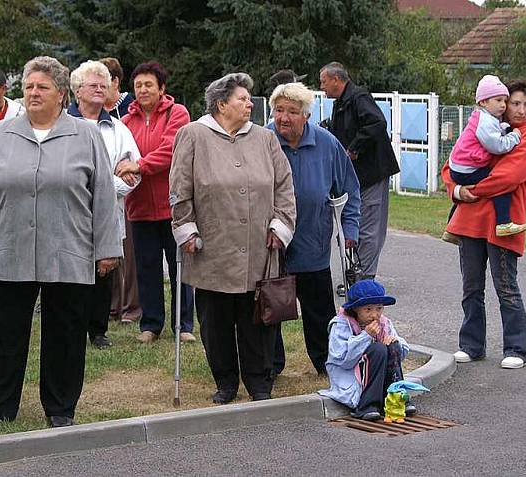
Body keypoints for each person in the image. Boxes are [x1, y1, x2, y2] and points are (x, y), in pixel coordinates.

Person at [0, 56, 122, 431]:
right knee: (7, 333)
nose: (33, 93)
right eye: (29, 86)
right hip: (14, 248)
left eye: (42, 87)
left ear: (61, 94)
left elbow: (103, 197)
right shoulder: (1, 134)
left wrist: (108, 248)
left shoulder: (86, 136)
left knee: (65, 332)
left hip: (69, 249)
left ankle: (61, 407)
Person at [170, 72, 296, 403]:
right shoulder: (193, 135)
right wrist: (186, 229)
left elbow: (284, 185)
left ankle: (259, 381)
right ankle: (225, 382)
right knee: (216, 321)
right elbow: (179, 189)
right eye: (242, 98)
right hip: (212, 246)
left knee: (257, 319)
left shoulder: (265, 139)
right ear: (222, 104)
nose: (248, 104)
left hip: (260, 245)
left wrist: (280, 226)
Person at [441, 79, 526, 370]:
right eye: (514, 103)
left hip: (503, 223)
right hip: (470, 221)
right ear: (501, 102)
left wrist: (471, 189)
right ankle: (471, 345)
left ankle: (516, 348)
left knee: (506, 286)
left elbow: (506, 177)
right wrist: (456, 190)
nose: (520, 110)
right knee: (471, 287)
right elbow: (452, 164)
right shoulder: (486, 125)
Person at [268, 82, 361, 376]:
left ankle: (326, 362)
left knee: (319, 311)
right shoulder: (263, 140)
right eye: (278, 110)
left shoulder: (326, 143)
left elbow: (349, 190)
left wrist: (350, 230)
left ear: (306, 115)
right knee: (270, 308)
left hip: (314, 241)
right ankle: (270, 366)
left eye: (292, 112)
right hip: (271, 243)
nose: (283, 117)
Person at [116, 61, 195, 344]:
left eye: (148, 84)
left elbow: (171, 150)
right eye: (138, 85)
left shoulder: (178, 113)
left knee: (180, 269)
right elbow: (118, 158)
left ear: (162, 88)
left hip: (173, 206)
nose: (143, 90)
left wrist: (138, 166)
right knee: (147, 269)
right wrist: (122, 168)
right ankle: (150, 325)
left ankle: (184, 325)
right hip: (139, 208)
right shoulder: (125, 122)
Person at [68, 60, 142, 349]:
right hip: (70, 211)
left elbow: (133, 174)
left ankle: (98, 330)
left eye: (104, 84)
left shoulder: (118, 128)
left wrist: (106, 189)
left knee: (104, 268)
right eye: (93, 85)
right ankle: (73, 326)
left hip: (108, 211)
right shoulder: (65, 124)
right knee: (72, 269)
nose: (100, 89)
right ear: (77, 91)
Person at [319, 62, 399, 283]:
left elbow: (377, 122)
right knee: (353, 224)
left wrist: (354, 148)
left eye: (323, 82)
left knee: (369, 227)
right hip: (355, 177)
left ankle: (364, 277)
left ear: (336, 79)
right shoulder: (341, 102)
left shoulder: (358, 97)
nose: (322, 87)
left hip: (372, 173)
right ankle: (355, 274)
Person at [442, 74, 526, 245]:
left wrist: (504, 128)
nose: (503, 105)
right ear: (483, 102)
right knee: (500, 183)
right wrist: (515, 137)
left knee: (486, 183)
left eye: (504, 100)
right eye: (498, 100)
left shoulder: (484, 117)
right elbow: (497, 145)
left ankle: (451, 227)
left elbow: (495, 130)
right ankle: (503, 222)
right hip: (466, 169)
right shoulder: (485, 121)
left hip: (460, 167)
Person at [318, 279, 413, 421]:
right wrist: (365, 336)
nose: (374, 314)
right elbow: (342, 360)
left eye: (379, 308)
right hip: (352, 380)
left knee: (392, 346)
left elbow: (403, 352)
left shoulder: (384, 323)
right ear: (356, 308)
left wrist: (395, 341)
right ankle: (367, 405)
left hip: (378, 377)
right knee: (378, 349)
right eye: (368, 309)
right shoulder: (341, 324)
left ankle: (396, 397)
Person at [100, 56, 142, 324]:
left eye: (103, 83)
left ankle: (130, 307)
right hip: (106, 188)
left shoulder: (130, 109)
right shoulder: (84, 112)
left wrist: (130, 168)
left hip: (129, 190)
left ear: (115, 82)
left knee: (126, 253)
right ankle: (111, 306)